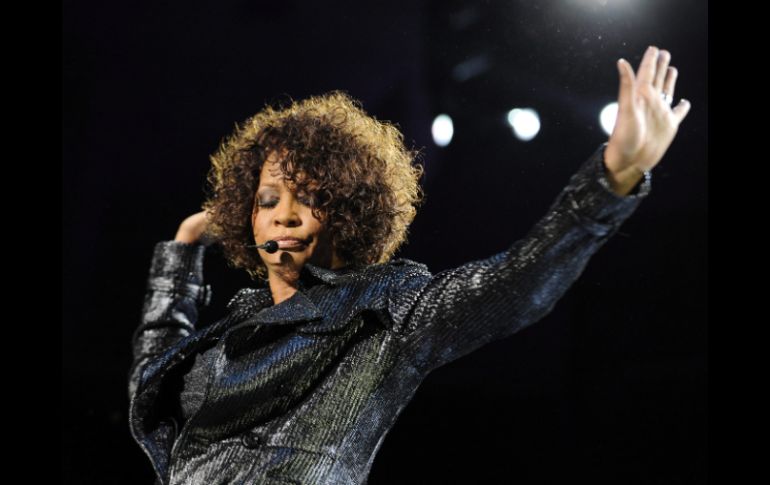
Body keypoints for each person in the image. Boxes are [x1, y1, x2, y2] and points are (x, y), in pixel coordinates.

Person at [128, 46, 690, 485]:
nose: (285, 216)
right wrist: (183, 251)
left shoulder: (384, 310)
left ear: (350, 212)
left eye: (312, 197)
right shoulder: (232, 331)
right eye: (268, 200)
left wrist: (610, 181)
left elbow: (515, 284)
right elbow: (149, 389)